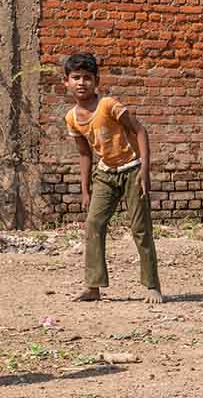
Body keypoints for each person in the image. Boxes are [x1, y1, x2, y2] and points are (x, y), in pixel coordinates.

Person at [63, 51, 162, 304]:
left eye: (87, 77)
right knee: (94, 224)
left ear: (96, 80)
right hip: (105, 174)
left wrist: (144, 170)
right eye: (76, 78)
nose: (81, 82)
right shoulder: (72, 118)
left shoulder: (108, 105)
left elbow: (140, 131)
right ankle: (93, 286)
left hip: (132, 170)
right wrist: (85, 191)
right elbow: (85, 154)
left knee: (140, 229)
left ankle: (152, 286)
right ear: (66, 82)